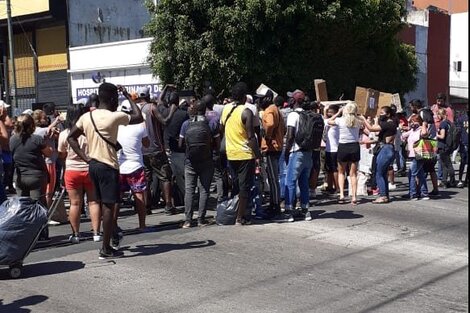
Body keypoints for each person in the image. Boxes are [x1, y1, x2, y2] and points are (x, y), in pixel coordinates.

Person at [68, 82, 143, 259]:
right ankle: (105, 248)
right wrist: (127, 94)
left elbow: (71, 137)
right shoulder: (113, 116)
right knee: (109, 206)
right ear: (111, 98)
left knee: (103, 203)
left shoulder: (86, 117)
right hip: (108, 166)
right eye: (116, 98)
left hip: (93, 165)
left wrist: (85, 157)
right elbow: (138, 116)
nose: (117, 101)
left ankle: (112, 234)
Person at [58, 103, 102, 243]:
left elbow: (61, 154)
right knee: (94, 202)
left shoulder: (65, 134)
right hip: (90, 168)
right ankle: (96, 232)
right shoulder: (90, 131)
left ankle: (76, 234)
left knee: (75, 203)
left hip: (72, 170)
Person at [220, 82, 261, 225]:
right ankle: (240, 217)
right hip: (245, 154)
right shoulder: (246, 111)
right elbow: (251, 136)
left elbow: (221, 128)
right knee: (245, 187)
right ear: (244, 97)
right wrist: (258, 154)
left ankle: (235, 212)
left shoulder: (225, 109)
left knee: (236, 185)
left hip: (230, 153)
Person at [10, 114, 53, 240]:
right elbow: (49, 152)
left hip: (20, 177)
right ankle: (41, 233)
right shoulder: (36, 139)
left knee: (23, 206)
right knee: (39, 205)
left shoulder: (12, 140)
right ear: (32, 125)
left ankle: (25, 232)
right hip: (37, 176)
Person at [136, 85, 176, 215]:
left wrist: (165, 89)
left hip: (142, 150)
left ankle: (146, 207)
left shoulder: (136, 109)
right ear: (148, 96)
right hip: (156, 148)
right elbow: (165, 121)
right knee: (165, 177)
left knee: (146, 179)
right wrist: (172, 110)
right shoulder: (151, 108)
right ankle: (169, 205)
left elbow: (158, 102)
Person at [179, 100, 219, 228]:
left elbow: (180, 144)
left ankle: (188, 220)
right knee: (204, 190)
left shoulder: (186, 124)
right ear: (205, 110)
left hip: (190, 161)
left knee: (189, 190)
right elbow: (217, 144)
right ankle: (201, 219)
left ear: (194, 110)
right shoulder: (211, 123)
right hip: (207, 160)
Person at [117, 100, 149, 230]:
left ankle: (114, 224)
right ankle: (142, 225)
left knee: (117, 197)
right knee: (139, 195)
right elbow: (147, 144)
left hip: (119, 165)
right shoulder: (141, 126)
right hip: (135, 165)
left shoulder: (116, 125)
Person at [284, 90, 314, 221]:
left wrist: (286, 152)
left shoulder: (293, 115)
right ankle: (305, 210)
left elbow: (290, 136)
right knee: (304, 183)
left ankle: (289, 211)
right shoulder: (309, 115)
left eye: (291, 98)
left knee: (290, 181)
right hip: (309, 153)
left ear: (294, 101)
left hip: (297, 152)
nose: (289, 100)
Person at [328, 101, 363, 205]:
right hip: (355, 146)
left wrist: (338, 112)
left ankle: (342, 194)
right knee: (353, 174)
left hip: (343, 146)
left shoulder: (340, 120)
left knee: (341, 172)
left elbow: (329, 121)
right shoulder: (358, 121)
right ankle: (354, 197)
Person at [362, 106, 398, 203]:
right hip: (385, 149)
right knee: (382, 173)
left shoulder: (389, 124)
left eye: (382, 113)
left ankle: (383, 196)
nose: (380, 115)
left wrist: (363, 118)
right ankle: (385, 194)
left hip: (386, 149)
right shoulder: (389, 124)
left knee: (379, 173)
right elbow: (377, 133)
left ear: (388, 114)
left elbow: (371, 129)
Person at [260, 92, 285, 218]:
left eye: (261, 99)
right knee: (274, 177)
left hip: (271, 148)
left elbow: (269, 124)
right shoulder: (276, 110)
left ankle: (275, 205)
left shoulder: (269, 110)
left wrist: (268, 137)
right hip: (277, 146)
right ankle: (274, 204)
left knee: (273, 178)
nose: (259, 101)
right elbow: (284, 128)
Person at [32, 109, 62, 210]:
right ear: (38, 120)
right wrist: (56, 121)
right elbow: (47, 130)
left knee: (46, 189)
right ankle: (46, 212)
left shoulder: (35, 131)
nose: (47, 119)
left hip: (44, 162)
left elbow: (50, 133)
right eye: (44, 118)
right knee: (49, 189)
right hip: (48, 162)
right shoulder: (39, 130)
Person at [409, 99, 440, 196]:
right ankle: (434, 189)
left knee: (420, 167)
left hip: (426, 142)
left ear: (414, 106)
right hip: (431, 142)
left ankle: (418, 190)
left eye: (411, 106)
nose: (410, 109)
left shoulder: (422, 113)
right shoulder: (427, 112)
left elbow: (425, 127)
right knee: (430, 168)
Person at [203, 93, 228, 203]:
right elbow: (220, 131)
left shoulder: (200, 115)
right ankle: (221, 197)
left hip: (203, 149)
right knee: (218, 174)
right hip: (215, 148)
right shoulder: (217, 116)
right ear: (213, 104)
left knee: (204, 175)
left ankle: (204, 198)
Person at [401, 115, 429, 200]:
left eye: (414, 121)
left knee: (411, 174)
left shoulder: (421, 130)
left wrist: (423, 124)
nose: (412, 123)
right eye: (411, 122)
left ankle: (413, 194)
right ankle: (424, 193)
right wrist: (407, 125)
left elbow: (424, 134)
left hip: (419, 155)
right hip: (412, 155)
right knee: (420, 174)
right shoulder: (412, 131)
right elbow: (402, 135)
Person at [436, 108, 457, 188]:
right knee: (444, 164)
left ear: (441, 114)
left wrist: (437, 135)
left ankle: (452, 181)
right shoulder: (449, 123)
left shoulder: (443, 124)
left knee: (448, 165)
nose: (437, 116)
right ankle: (444, 181)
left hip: (443, 146)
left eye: (438, 114)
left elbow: (442, 136)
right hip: (448, 146)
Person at [323, 103, 340, 194]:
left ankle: (337, 187)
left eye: (331, 112)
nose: (329, 114)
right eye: (328, 112)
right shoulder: (330, 121)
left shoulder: (337, 121)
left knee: (334, 169)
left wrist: (338, 113)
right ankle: (329, 187)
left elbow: (327, 121)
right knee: (328, 169)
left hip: (335, 149)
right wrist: (325, 111)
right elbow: (326, 120)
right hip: (328, 149)